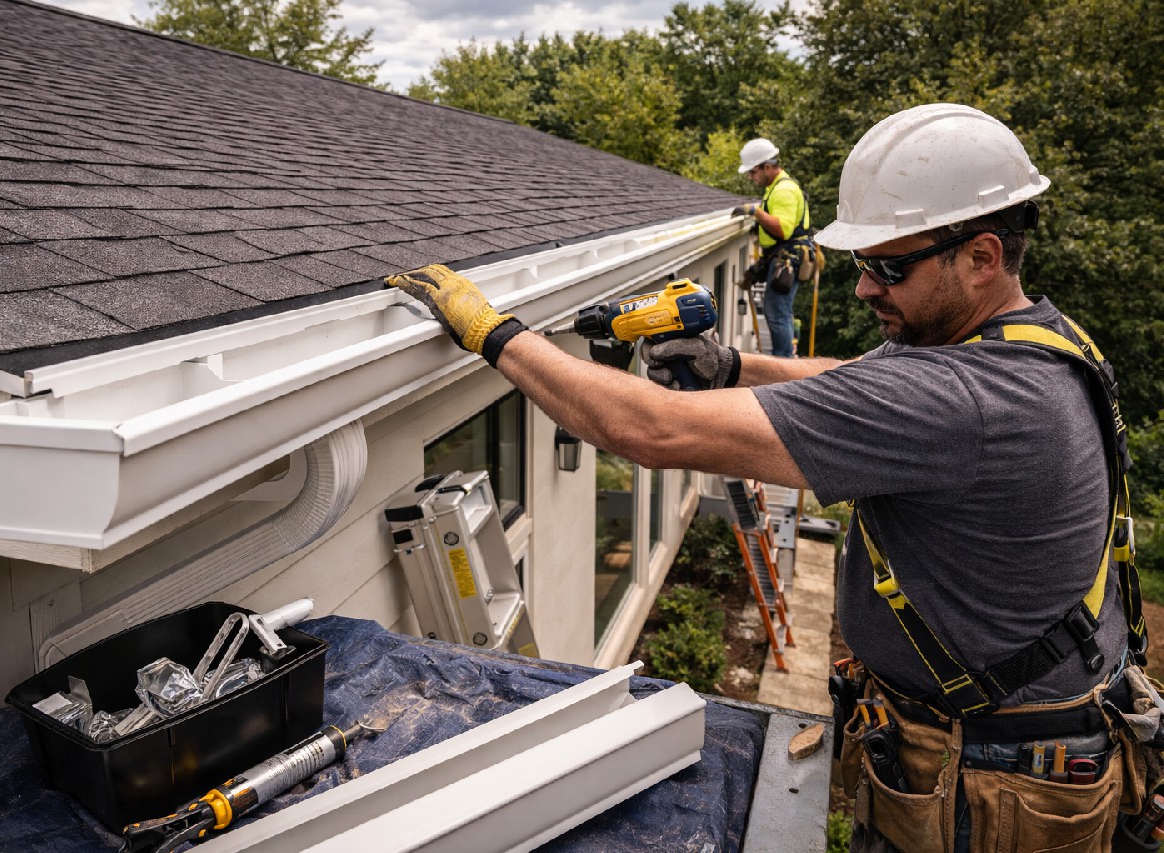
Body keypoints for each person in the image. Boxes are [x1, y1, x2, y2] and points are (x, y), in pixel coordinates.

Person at [386, 103, 1154, 852]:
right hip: (1022, 735)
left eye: (888, 267)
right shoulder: (1033, 339)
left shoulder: (965, 399)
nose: (863, 288)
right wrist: (735, 367)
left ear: (982, 256)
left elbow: (646, 430)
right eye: (860, 264)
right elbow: (856, 378)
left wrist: (492, 332)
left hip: (990, 784)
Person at [733, 137, 812, 358]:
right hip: (783, 256)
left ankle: (782, 362)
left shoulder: (783, 190)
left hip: (788, 257)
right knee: (779, 310)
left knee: (776, 312)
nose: (751, 177)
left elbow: (783, 230)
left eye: (753, 172)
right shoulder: (776, 187)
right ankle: (784, 358)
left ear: (767, 167)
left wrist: (755, 212)